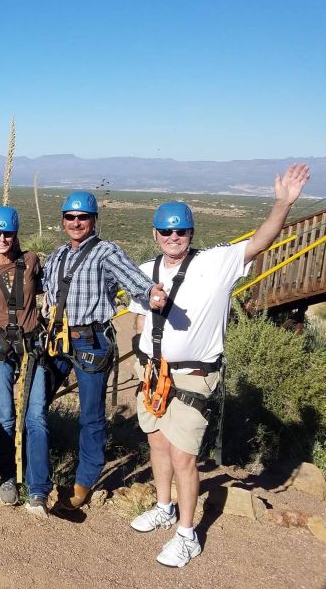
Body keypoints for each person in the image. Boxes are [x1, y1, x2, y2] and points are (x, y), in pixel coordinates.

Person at [128, 163, 309, 568]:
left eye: (181, 231)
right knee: (156, 442)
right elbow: (140, 319)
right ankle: (164, 506)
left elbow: (260, 241)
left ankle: (187, 534)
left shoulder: (216, 263)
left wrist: (282, 205)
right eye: (166, 231)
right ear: (155, 234)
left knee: (183, 457)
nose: (174, 238)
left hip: (193, 375)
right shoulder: (145, 272)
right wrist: (142, 362)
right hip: (152, 373)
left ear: (191, 234)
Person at [40, 191, 167, 512]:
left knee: (91, 415)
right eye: (70, 217)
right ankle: (38, 470)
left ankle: (85, 479)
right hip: (56, 340)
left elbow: (135, 279)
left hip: (90, 342)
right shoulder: (57, 256)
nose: (76, 222)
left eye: (83, 217)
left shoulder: (106, 252)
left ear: (94, 220)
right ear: (63, 220)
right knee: (34, 403)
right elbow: (44, 290)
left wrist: (152, 293)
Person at [0, 205, 48, 513]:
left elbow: (45, 294)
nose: (2, 238)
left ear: (16, 234)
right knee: (4, 413)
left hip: (31, 344)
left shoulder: (31, 261)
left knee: (36, 414)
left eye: (8, 233)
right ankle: (7, 476)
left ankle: (38, 485)